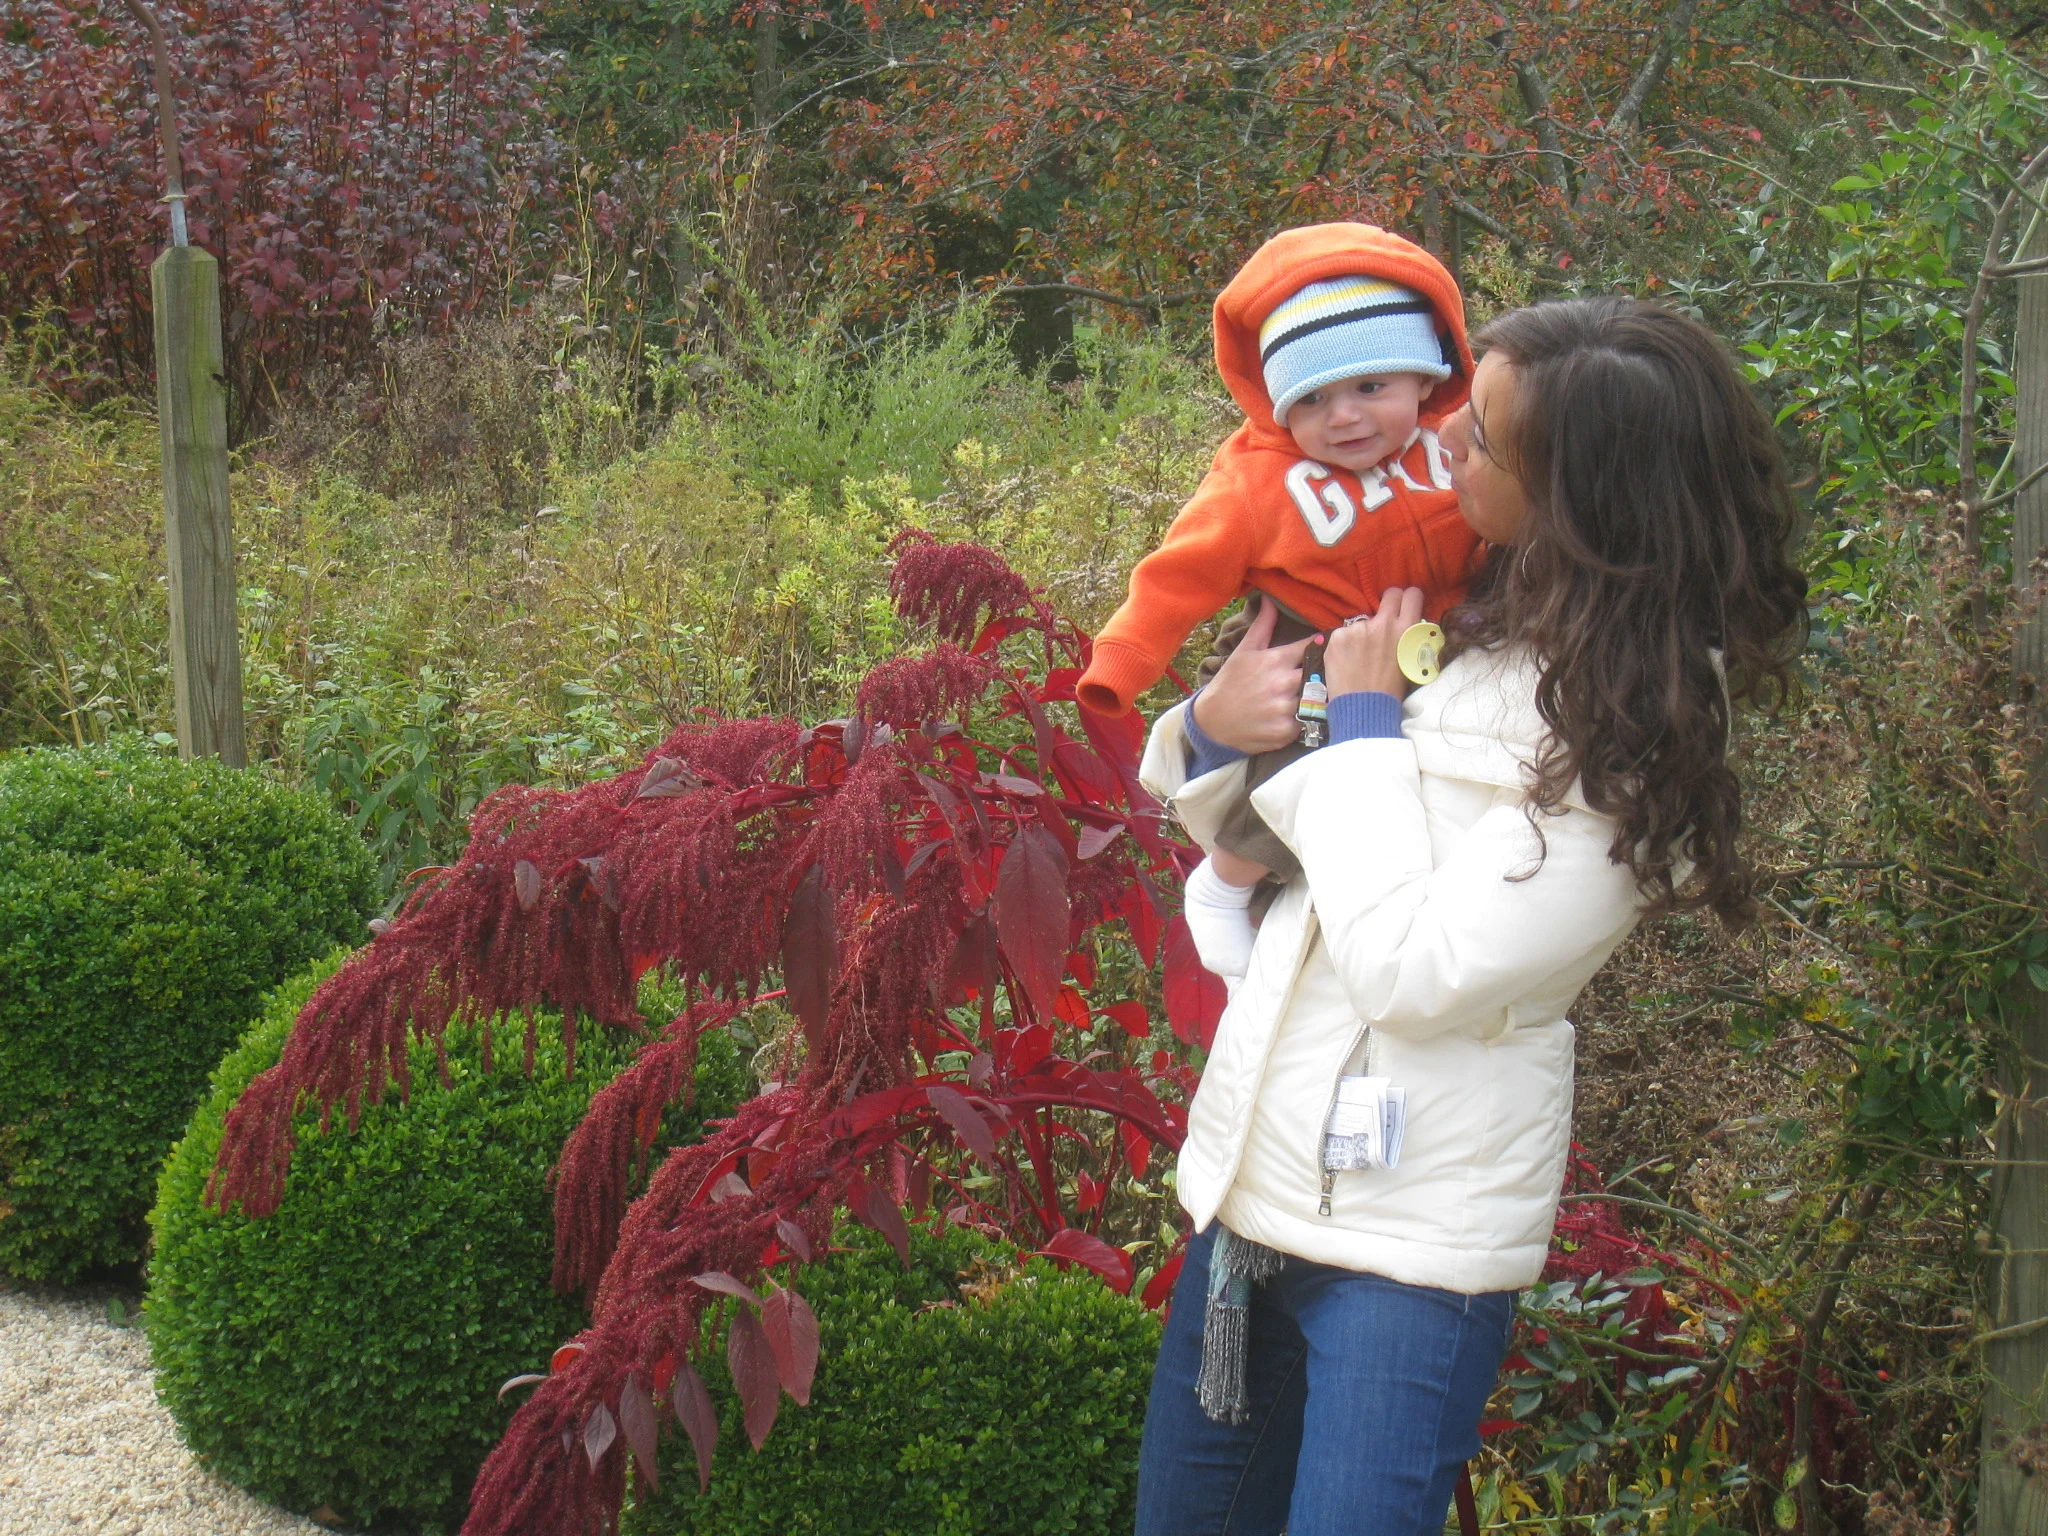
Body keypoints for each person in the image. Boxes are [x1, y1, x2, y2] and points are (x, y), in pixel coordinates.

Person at [1128, 295, 1809, 1536]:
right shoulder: (1448, 611)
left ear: (1574, 489)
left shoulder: (1631, 724)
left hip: (1411, 1257)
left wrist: (1370, 723)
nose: (1436, 448)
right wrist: (1211, 729)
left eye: (1477, 439)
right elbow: (1255, 827)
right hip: (1249, 1202)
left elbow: (1415, 970)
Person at [1073, 224, 1489, 976]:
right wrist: (1122, 662)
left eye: (1371, 387)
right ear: (1276, 406)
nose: (1345, 418)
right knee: (1303, 762)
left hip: (1437, 640)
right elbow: (1178, 574)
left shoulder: (1457, 444)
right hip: (1312, 635)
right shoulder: (1258, 482)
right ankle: (1227, 884)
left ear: (1426, 377)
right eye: (1313, 399)